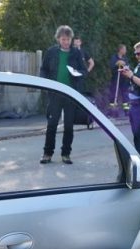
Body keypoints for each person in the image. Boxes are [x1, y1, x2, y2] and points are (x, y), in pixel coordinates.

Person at [39, 25, 87, 165]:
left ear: (72, 39)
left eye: (68, 39)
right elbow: (44, 70)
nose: (66, 42)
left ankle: (66, 154)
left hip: (71, 94)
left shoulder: (76, 53)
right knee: (52, 124)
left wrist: (78, 75)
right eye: (63, 39)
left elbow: (84, 71)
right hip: (55, 94)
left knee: (68, 126)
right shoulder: (51, 52)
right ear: (59, 39)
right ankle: (47, 153)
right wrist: (45, 82)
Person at [108, 43, 129, 111]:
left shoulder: (125, 58)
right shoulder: (114, 57)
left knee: (125, 93)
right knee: (114, 92)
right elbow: (111, 66)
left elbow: (128, 67)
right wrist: (117, 63)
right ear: (120, 50)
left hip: (124, 79)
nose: (125, 51)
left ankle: (126, 110)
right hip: (116, 78)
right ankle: (113, 109)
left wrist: (125, 65)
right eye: (124, 49)